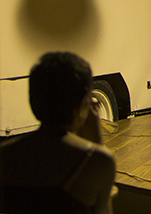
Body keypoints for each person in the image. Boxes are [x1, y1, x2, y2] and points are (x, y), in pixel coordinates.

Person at [0, 52, 117, 213]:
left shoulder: (4, 154)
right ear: (80, 108)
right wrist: (97, 143)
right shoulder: (98, 160)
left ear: (33, 102)